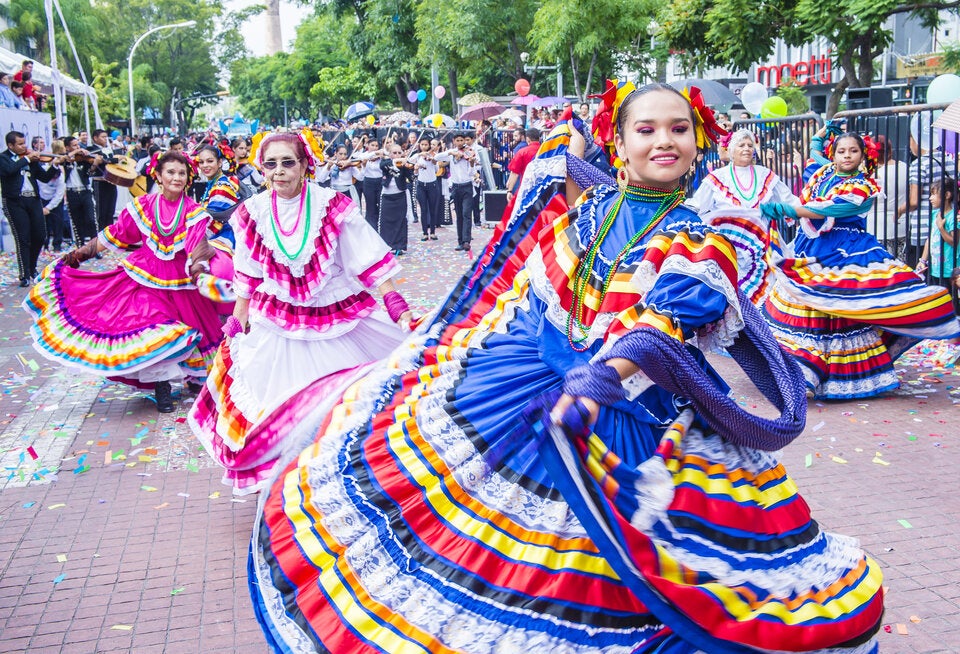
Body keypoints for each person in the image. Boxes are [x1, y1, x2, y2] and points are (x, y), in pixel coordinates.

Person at [249, 81, 884, 653]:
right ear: (619, 141)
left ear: (699, 142)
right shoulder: (584, 215)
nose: (665, 140)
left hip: (629, 421)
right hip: (527, 398)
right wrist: (461, 350)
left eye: (679, 128)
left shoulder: (706, 237)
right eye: (647, 128)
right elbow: (533, 297)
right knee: (469, 546)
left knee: (631, 579)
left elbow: (658, 324)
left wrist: (600, 379)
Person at [188, 131, 413, 495]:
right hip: (277, 323)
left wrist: (396, 306)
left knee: (341, 406)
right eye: (270, 164)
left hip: (339, 320)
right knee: (283, 409)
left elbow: (367, 259)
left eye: (287, 162)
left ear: (306, 165)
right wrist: (239, 317)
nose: (279, 172)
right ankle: (294, 485)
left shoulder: (332, 205)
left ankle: (337, 482)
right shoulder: (251, 212)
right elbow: (247, 270)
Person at [761, 127, 960, 399]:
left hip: (849, 250)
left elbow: (832, 209)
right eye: (841, 151)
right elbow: (815, 155)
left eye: (853, 151)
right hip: (815, 247)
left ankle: (836, 374)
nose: (847, 156)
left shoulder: (863, 186)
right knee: (811, 306)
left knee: (844, 304)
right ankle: (804, 370)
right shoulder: (825, 172)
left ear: (863, 155)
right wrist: (822, 133)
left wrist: (789, 210)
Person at [22, 151, 222, 412]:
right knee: (155, 328)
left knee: (192, 333)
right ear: (158, 176)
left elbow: (197, 245)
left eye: (182, 173)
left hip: (181, 282)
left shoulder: (195, 212)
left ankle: (193, 378)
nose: (176, 177)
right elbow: (114, 235)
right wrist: (79, 255)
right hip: (145, 279)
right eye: (170, 172)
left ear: (188, 178)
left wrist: (198, 268)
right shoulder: (143, 206)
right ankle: (162, 386)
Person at [690, 129, 798, 304]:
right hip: (728, 246)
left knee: (764, 291)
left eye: (750, 145)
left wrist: (812, 210)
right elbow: (698, 205)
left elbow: (789, 201)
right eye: (741, 145)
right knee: (728, 290)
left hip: (761, 247)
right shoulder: (717, 177)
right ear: (731, 150)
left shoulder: (765, 175)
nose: (747, 148)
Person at [0, 131, 59, 286]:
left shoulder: (31, 160)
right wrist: (26, 158)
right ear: (10, 145)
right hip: (15, 201)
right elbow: (8, 171)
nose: (24, 146)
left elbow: (44, 177)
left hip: (33, 199)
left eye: (24, 143)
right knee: (23, 237)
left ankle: (32, 267)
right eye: (19, 144)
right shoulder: (3, 158)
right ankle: (24, 274)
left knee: (40, 235)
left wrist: (54, 165)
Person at [436, 132, 476, 251]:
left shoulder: (469, 152)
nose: (460, 143)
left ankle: (466, 241)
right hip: (455, 187)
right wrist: (450, 152)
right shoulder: (451, 153)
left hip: (467, 186)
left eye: (462, 141)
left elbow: (471, 173)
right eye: (457, 141)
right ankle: (460, 241)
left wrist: (472, 163)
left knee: (466, 213)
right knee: (459, 215)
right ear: (454, 141)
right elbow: (436, 157)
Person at [869, 135, 908, 258]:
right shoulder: (905, 167)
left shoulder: (875, 175)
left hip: (878, 227)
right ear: (890, 150)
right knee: (901, 266)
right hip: (902, 225)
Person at [60, 136, 100, 245]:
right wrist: (74, 153)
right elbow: (60, 161)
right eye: (74, 145)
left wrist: (94, 165)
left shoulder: (83, 160)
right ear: (67, 147)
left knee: (91, 219)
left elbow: (89, 173)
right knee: (77, 221)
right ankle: (80, 245)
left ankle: (94, 245)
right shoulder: (64, 159)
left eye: (78, 145)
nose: (78, 147)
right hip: (71, 192)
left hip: (85, 191)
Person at [377, 143, 413, 255]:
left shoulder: (404, 165)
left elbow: (410, 178)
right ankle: (386, 245)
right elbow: (382, 165)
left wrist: (409, 168)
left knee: (401, 221)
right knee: (385, 222)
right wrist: (395, 162)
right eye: (394, 153)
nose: (397, 155)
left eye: (399, 153)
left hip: (400, 195)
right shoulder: (385, 162)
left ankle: (399, 246)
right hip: (387, 196)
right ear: (390, 154)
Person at [37, 138, 68, 252]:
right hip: (42, 198)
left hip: (55, 199)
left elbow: (60, 191)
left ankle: (57, 245)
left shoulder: (59, 171)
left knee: (57, 223)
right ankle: (44, 245)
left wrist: (50, 207)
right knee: (43, 225)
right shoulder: (42, 169)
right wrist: (43, 206)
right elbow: (40, 186)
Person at [408, 138, 441, 241]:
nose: (424, 146)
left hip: (432, 185)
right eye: (422, 144)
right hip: (421, 185)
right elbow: (409, 160)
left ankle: (433, 232)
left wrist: (433, 161)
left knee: (432, 209)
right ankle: (424, 233)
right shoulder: (418, 156)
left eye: (426, 145)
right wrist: (419, 158)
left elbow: (437, 170)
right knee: (423, 209)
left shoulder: (433, 156)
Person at [87, 128, 120, 230]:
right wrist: (115, 159)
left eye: (106, 137)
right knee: (101, 211)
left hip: (111, 182)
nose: (105, 139)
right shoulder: (91, 149)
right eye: (103, 137)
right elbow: (106, 161)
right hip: (99, 183)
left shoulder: (108, 149)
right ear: (95, 138)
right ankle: (101, 234)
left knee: (110, 211)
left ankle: (109, 234)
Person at [505, 127, 540, 203]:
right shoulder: (547, 151)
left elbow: (514, 172)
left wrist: (509, 190)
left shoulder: (522, 152)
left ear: (527, 139)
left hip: (526, 189)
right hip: (544, 189)